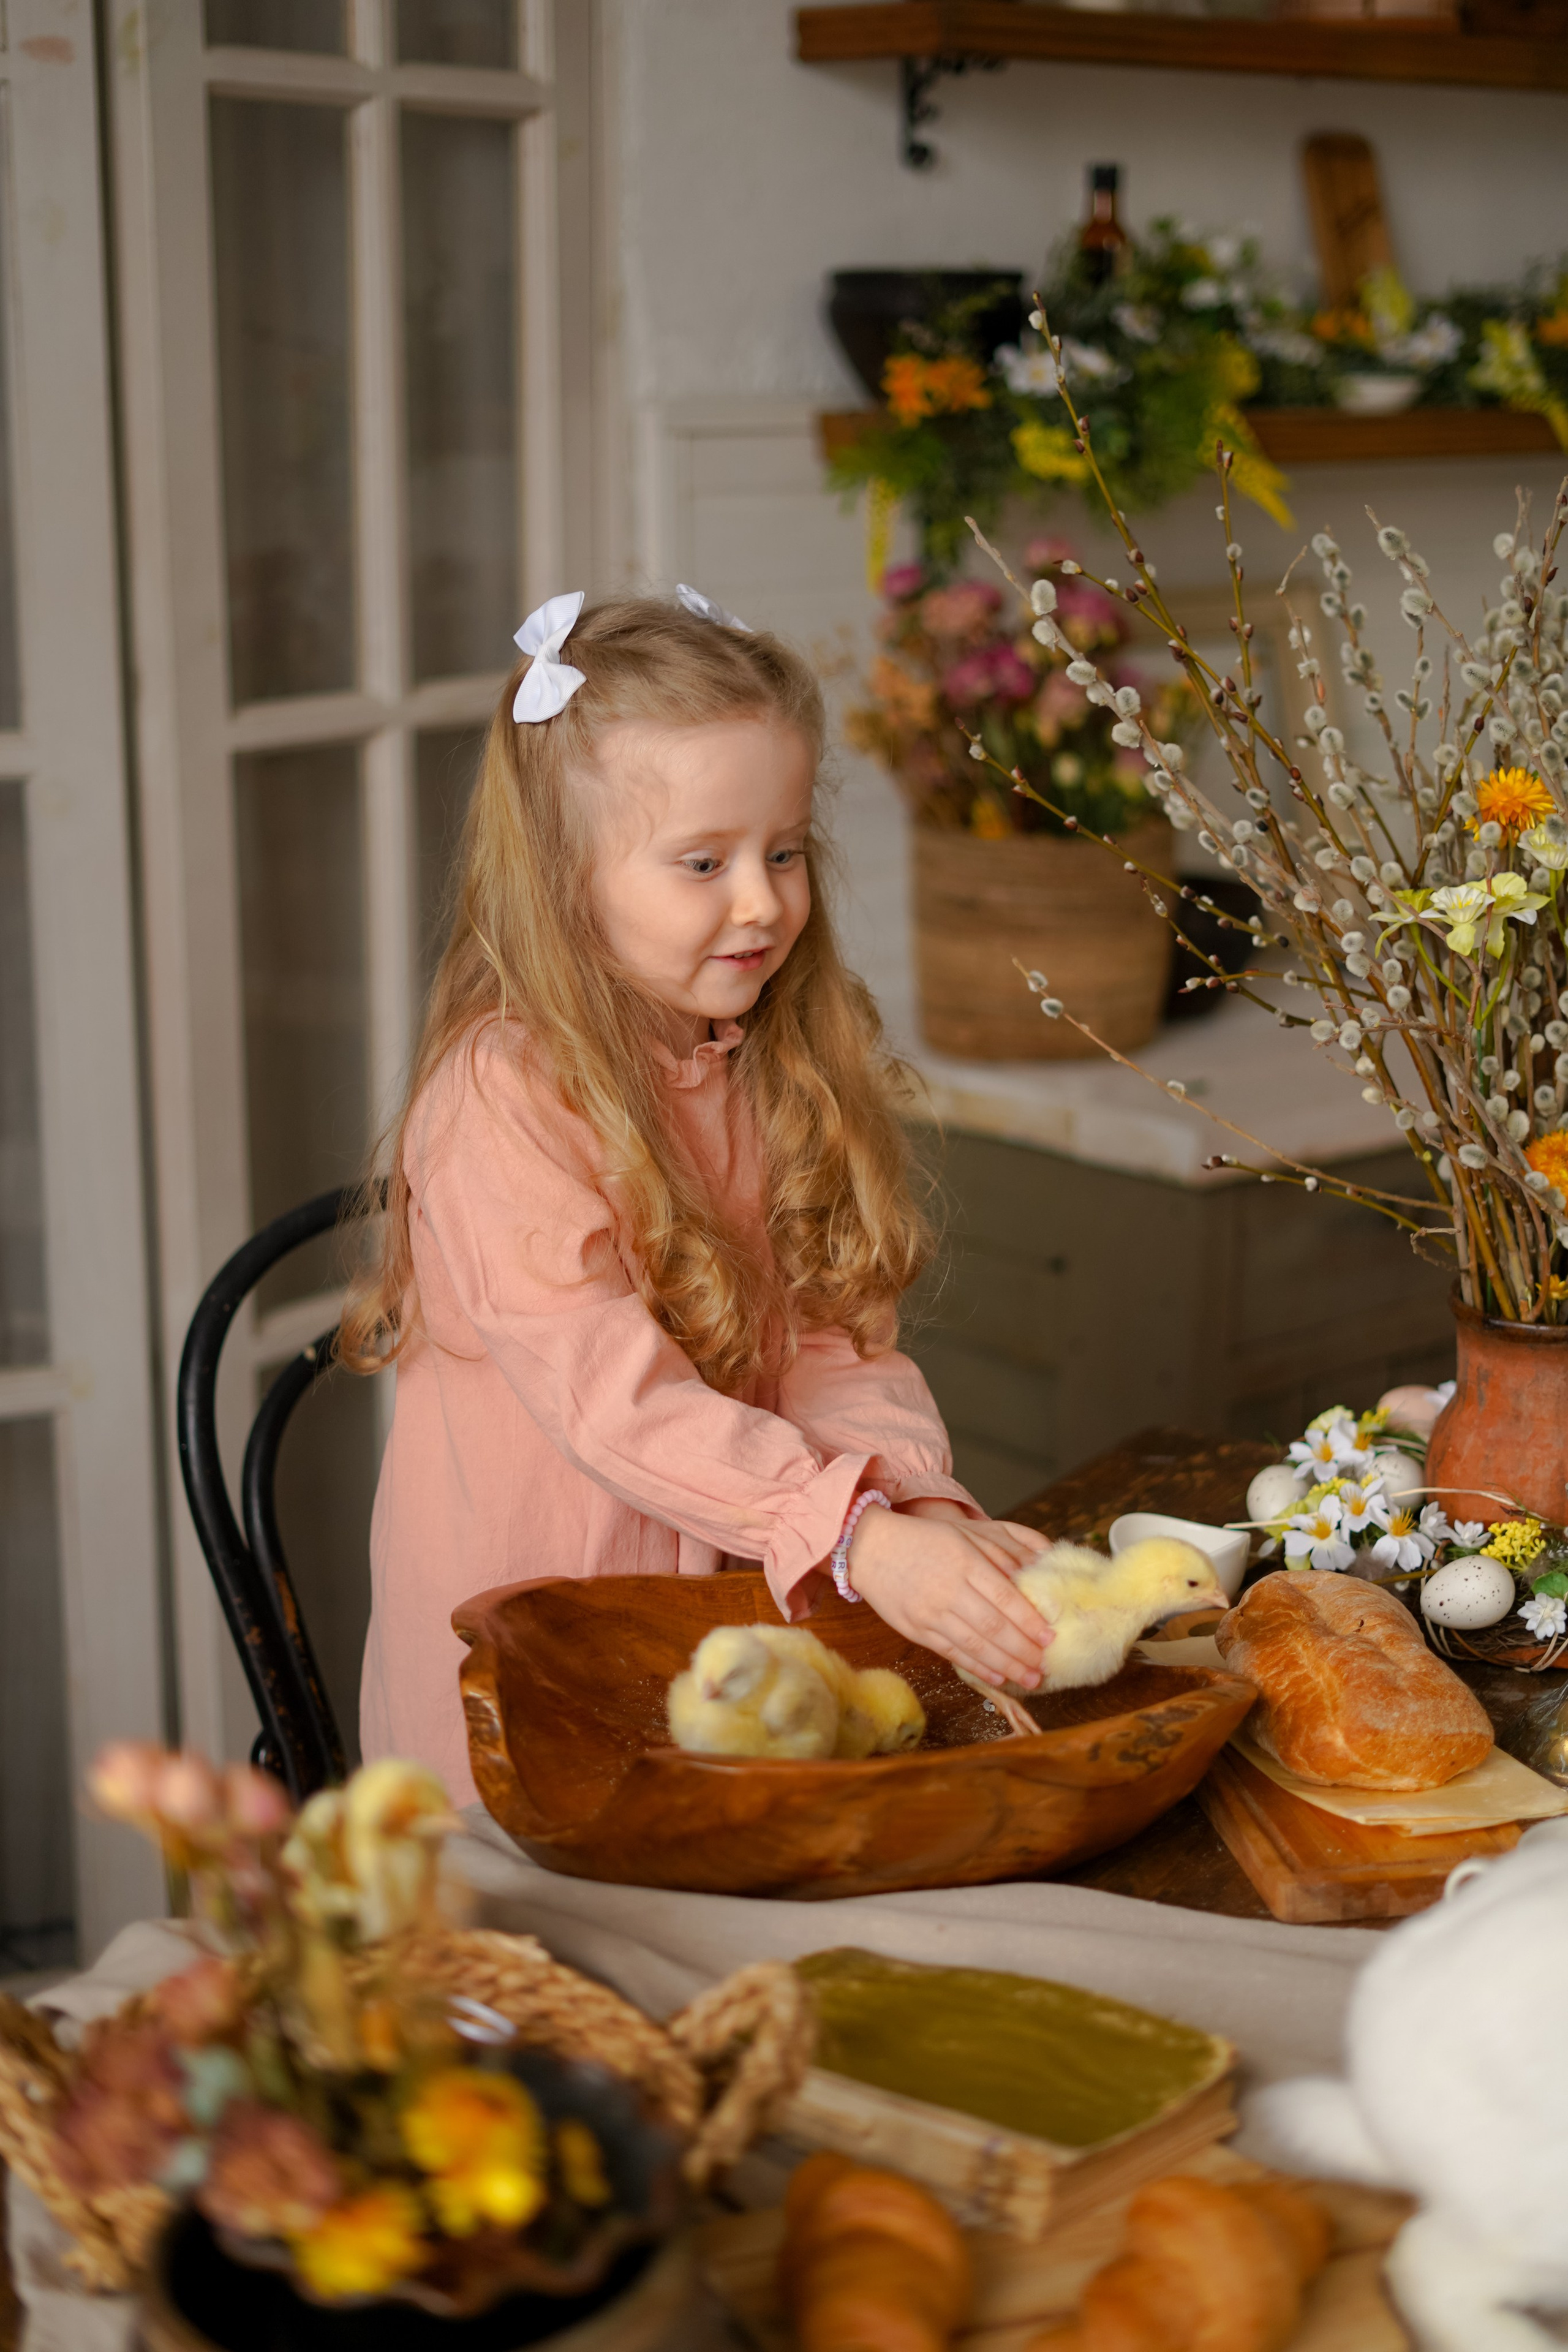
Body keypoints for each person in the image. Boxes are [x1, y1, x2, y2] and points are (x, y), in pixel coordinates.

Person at [342, 588, 1050, 1800]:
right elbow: (617, 1404)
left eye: (782, 852)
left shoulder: (767, 1058)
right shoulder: (502, 1097)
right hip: (539, 1660)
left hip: (730, 1627)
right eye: (702, 863)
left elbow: (833, 1342)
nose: (762, 901)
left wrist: (905, 1507)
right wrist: (848, 1535)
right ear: (567, 879)